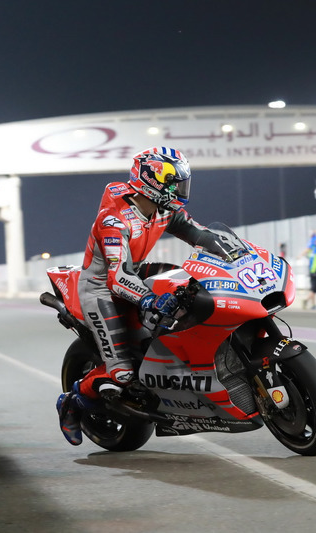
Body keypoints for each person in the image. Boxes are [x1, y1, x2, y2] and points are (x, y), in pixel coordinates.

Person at [56, 147, 211, 446]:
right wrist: (150, 299)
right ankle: (72, 400)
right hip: (102, 289)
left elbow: (200, 234)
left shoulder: (165, 209)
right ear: (152, 181)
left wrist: (236, 251)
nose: (180, 189)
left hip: (135, 274)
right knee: (123, 375)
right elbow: (116, 278)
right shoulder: (113, 220)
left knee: (188, 293)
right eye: (174, 183)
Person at [302, 231, 316, 310]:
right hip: (315, 271)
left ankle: (313, 304)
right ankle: (307, 301)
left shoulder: (312, 251)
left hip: (312, 271)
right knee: (314, 289)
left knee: (314, 288)